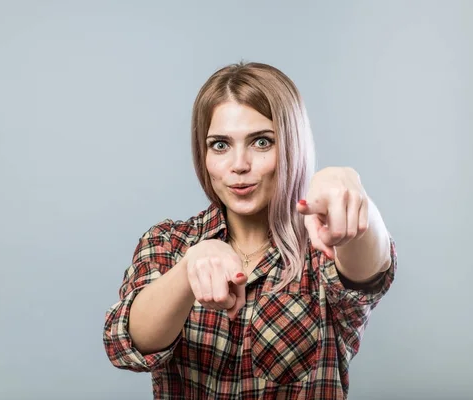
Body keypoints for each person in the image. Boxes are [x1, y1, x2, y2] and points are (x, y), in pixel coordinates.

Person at [103, 61, 397, 399]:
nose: (239, 165)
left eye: (261, 142)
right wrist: (190, 267)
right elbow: (126, 345)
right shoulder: (168, 243)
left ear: (292, 145)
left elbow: (371, 268)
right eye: (220, 145)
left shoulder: (321, 247)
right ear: (204, 154)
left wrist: (354, 195)